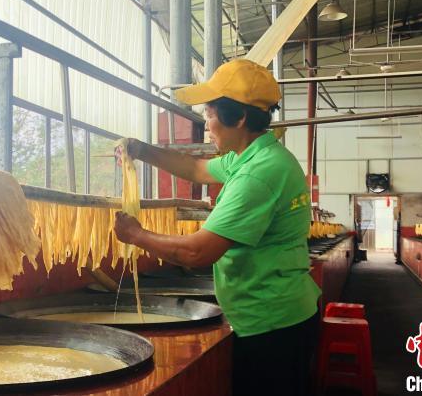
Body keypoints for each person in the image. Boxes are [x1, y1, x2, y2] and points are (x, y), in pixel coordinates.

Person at [114, 58, 320, 396]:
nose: (207, 125)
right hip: (277, 313)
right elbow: (196, 169)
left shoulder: (258, 174)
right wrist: (140, 149)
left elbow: (197, 252)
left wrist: (136, 235)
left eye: (209, 115)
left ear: (239, 118)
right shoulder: (250, 156)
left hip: (272, 325)